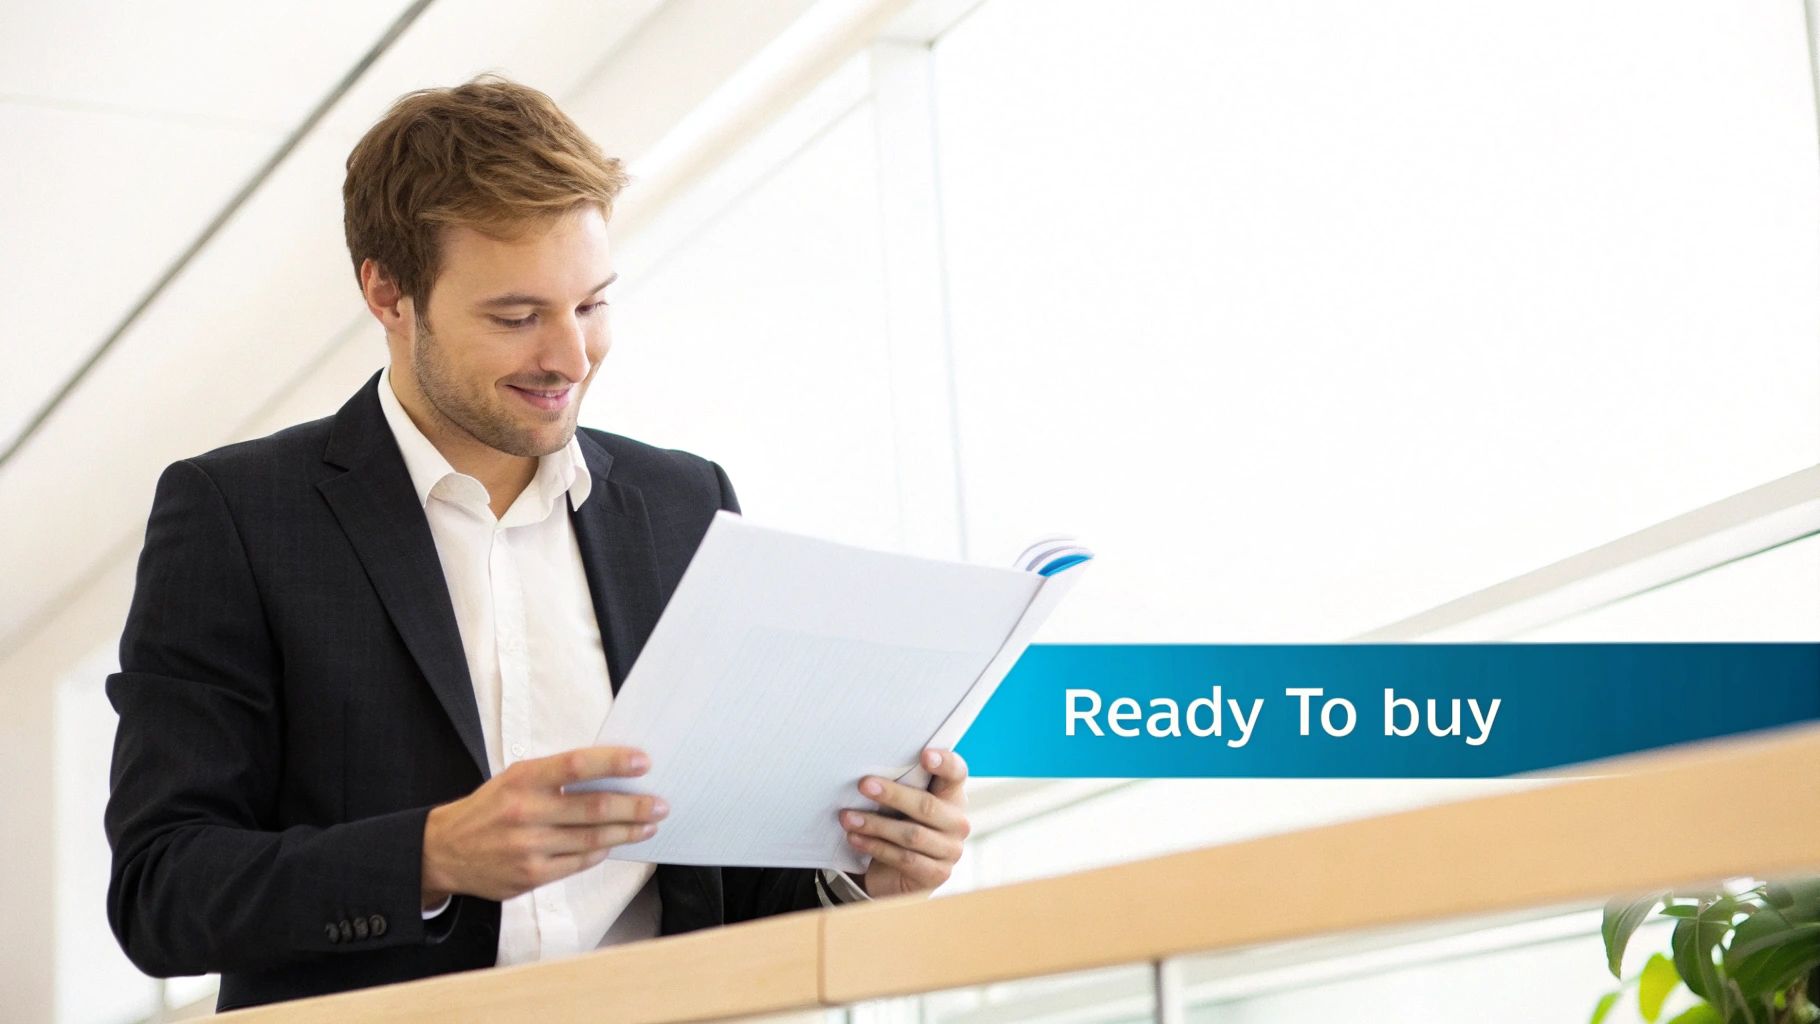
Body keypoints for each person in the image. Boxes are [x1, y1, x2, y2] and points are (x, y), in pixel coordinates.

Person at [103, 73, 971, 1013]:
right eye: (517, 318)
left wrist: (864, 875)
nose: (571, 357)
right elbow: (162, 890)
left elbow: (723, 883)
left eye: (591, 305)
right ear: (388, 292)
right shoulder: (239, 514)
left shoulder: (684, 506)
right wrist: (431, 855)